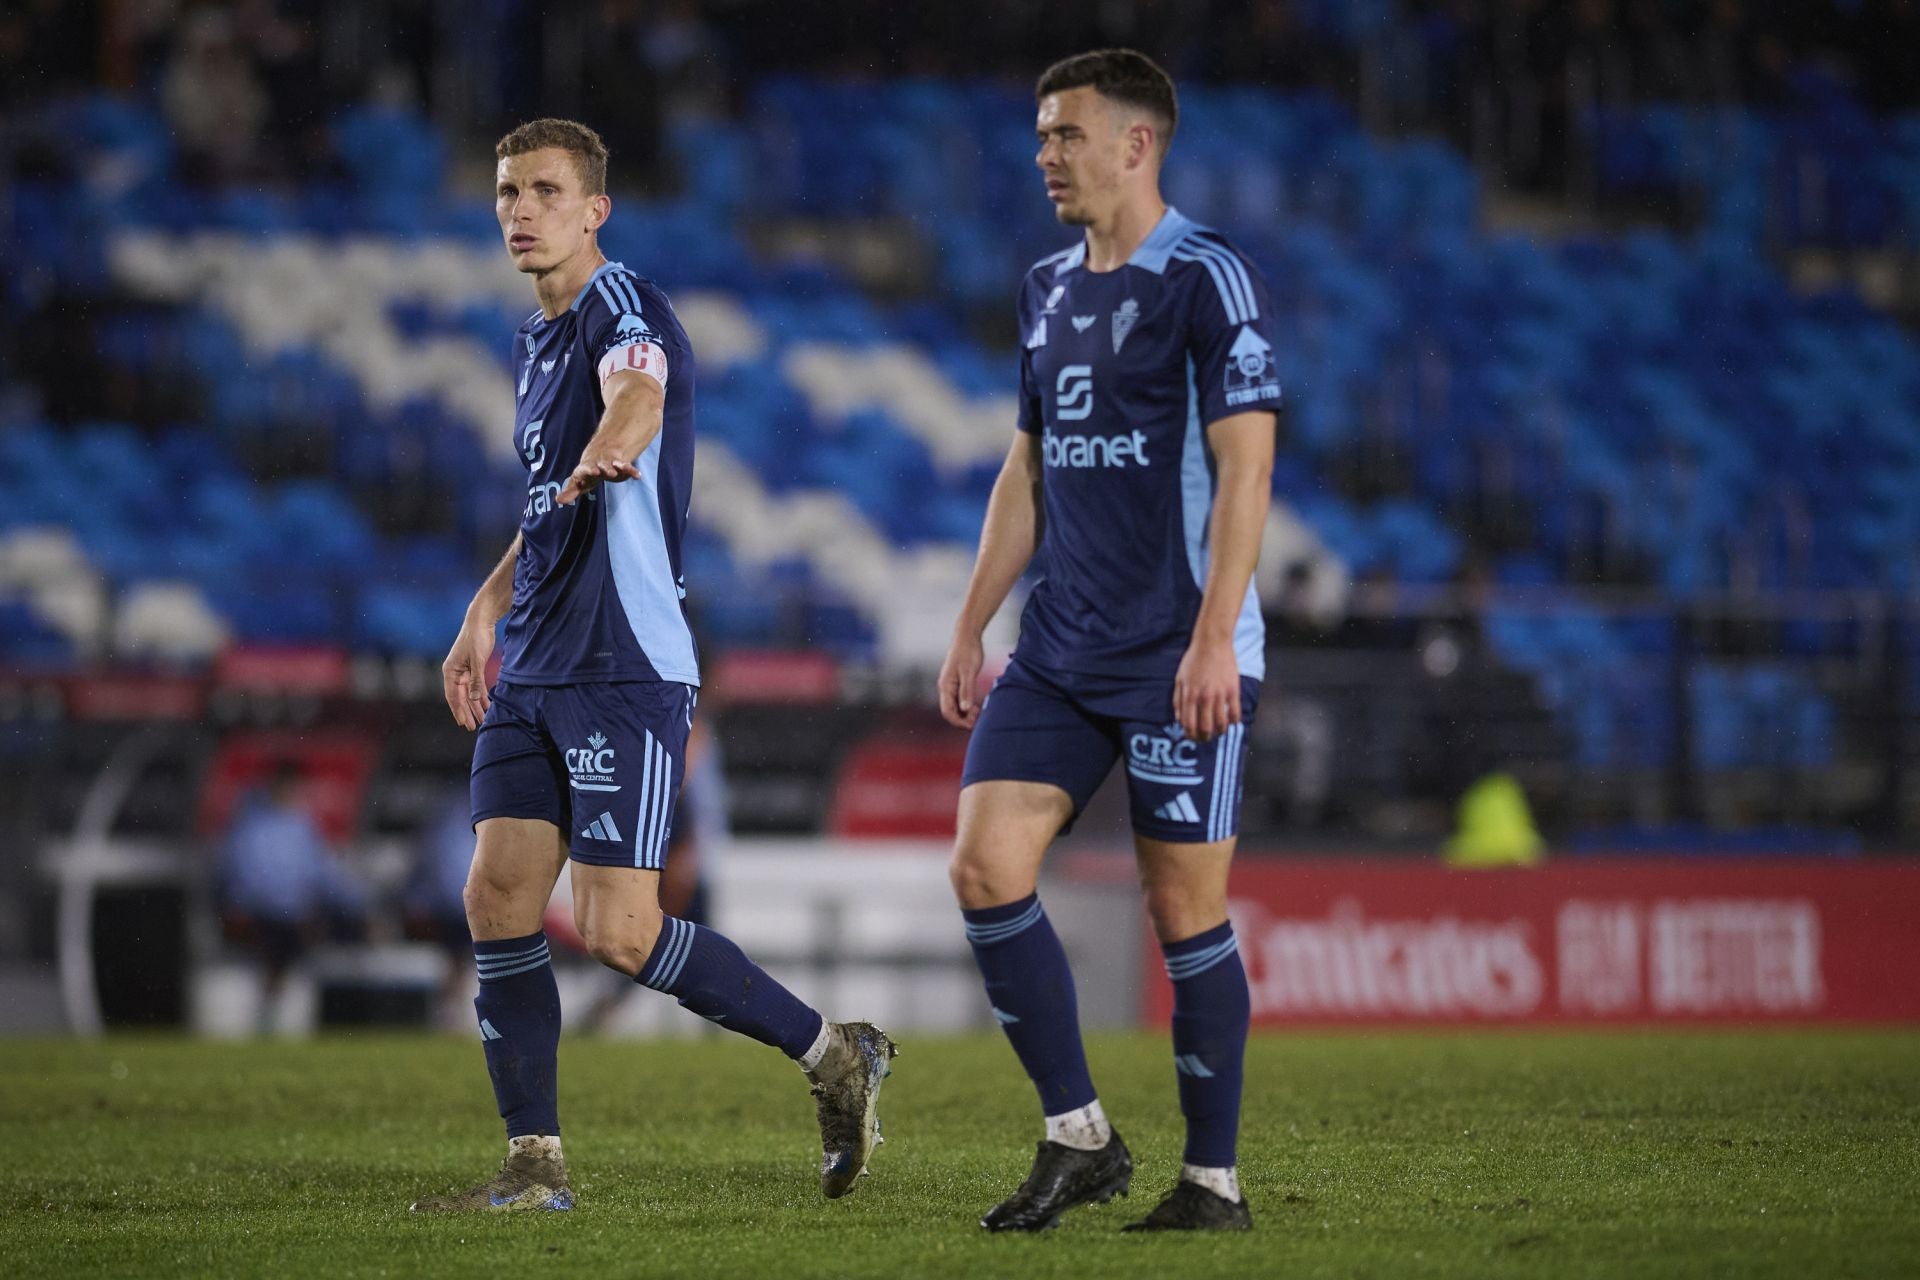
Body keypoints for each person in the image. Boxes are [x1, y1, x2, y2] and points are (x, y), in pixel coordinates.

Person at [413, 118, 894, 1215]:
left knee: (618, 927)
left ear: (595, 210)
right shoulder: (534, 343)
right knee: (495, 894)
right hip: (533, 657)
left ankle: (833, 1054)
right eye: (506, 192)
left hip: (623, 663)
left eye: (544, 190)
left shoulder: (622, 307)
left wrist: (618, 435)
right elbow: (544, 508)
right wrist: (484, 606)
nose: (520, 210)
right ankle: (535, 1165)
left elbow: (644, 388)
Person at [937, 49, 1279, 1234]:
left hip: (1178, 651)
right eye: (1040, 134)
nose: (1046, 154)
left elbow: (1247, 472)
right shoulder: (1043, 288)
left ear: (1138, 144)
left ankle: (1213, 1183)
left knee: (1182, 909)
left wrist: (1214, 638)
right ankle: (1078, 1133)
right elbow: (1024, 468)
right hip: (1061, 646)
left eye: (1066, 134)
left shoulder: (1208, 279)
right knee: (985, 866)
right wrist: (974, 620)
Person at [215, 762, 369, 1032]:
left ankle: (287, 1010)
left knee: (324, 929)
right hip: (259, 916)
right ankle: (272, 1009)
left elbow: (324, 877)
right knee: (279, 935)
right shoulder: (252, 827)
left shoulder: (303, 827)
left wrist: (360, 906)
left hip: (294, 917)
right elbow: (243, 881)